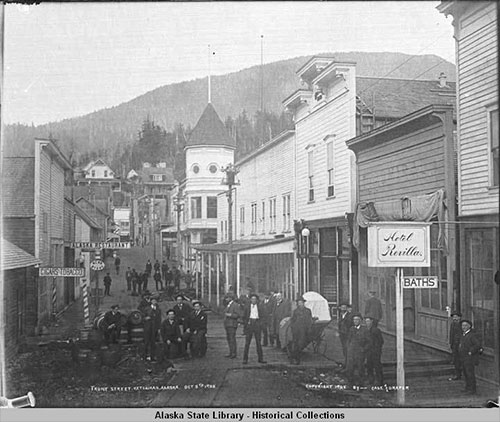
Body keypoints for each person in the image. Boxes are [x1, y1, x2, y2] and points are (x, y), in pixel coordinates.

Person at [345, 313, 370, 386]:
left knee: (360, 369)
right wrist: (348, 348)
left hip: (360, 352)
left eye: (357, 320)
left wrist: (363, 350)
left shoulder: (364, 330)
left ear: (361, 321)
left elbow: (369, 342)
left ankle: (360, 384)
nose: (355, 321)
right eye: (354, 320)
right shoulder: (351, 329)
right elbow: (348, 340)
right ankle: (351, 383)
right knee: (350, 368)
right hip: (351, 352)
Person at [242, 294, 267, 364]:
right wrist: (246, 324)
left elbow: (263, 316)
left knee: (258, 343)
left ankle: (260, 359)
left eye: (255, 299)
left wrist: (260, 324)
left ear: (257, 300)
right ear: (250, 300)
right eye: (252, 299)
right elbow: (244, 316)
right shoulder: (247, 307)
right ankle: (245, 359)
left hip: (257, 324)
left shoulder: (260, 307)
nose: (253, 300)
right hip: (249, 324)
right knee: (247, 343)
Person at [459, 319, 482, 395]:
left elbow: (477, 344)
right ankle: (467, 387)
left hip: (469, 358)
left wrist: (471, 351)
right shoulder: (463, 334)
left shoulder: (472, 335)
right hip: (463, 357)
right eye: (462, 325)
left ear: (469, 326)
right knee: (465, 373)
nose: (464, 327)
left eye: (465, 325)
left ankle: (472, 389)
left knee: (470, 373)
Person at [289, 296, 313, 365]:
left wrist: (309, 329)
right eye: (299, 303)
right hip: (296, 330)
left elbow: (309, 321)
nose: (300, 304)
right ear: (297, 304)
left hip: (304, 330)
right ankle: (294, 358)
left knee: (300, 344)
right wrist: (293, 327)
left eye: (301, 303)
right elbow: (292, 320)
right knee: (295, 344)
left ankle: (296, 358)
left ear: (303, 303)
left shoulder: (308, 311)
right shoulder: (295, 311)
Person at [365, 316, 384, 385]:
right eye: (366, 321)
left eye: (368, 321)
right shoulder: (365, 330)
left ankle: (379, 380)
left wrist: (376, 349)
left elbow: (381, 341)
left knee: (377, 366)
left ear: (372, 322)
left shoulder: (376, 330)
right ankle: (371, 379)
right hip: (368, 351)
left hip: (375, 352)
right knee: (369, 366)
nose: (367, 323)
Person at [143, 297, 162, 361]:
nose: (154, 302)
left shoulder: (158, 310)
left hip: (155, 328)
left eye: (155, 300)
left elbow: (159, 319)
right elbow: (142, 318)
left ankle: (152, 356)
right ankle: (145, 356)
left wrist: (159, 328)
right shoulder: (147, 309)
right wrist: (146, 318)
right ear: (151, 301)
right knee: (146, 342)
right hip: (148, 328)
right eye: (153, 300)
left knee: (153, 343)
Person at [224, 293, 241, 359]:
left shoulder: (235, 305)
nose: (226, 299)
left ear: (230, 298)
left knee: (232, 339)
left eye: (227, 298)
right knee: (229, 339)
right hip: (227, 324)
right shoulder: (228, 305)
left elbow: (238, 315)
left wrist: (230, 315)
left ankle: (234, 353)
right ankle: (231, 352)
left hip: (232, 324)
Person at [448, 311, 463, 381]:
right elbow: (451, 334)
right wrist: (451, 343)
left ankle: (463, 374)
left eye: (456, 317)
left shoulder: (462, 325)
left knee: (462, 360)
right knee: (456, 360)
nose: (454, 318)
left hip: (461, 345)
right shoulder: (452, 324)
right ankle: (457, 374)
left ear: (459, 317)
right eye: (453, 317)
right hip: (454, 345)